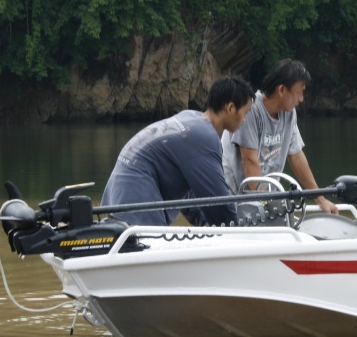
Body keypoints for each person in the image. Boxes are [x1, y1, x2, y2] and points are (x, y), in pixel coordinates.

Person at [101, 75, 254, 227]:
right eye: (245, 112)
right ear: (231, 108)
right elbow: (220, 204)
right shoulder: (204, 137)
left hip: (115, 197)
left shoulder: (189, 117)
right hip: (136, 200)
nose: (245, 119)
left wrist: (203, 221)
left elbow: (187, 187)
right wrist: (240, 233)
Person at [222, 59, 339, 215]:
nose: (301, 98)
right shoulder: (250, 110)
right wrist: (265, 207)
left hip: (266, 198)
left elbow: (296, 156)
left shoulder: (289, 113)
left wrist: (320, 199)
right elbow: (249, 161)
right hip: (233, 197)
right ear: (282, 90)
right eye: (299, 92)